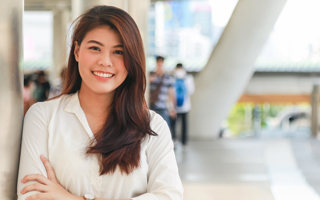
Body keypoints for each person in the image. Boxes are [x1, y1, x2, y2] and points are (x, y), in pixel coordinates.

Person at [17, 5, 183, 200]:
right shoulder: (42, 117)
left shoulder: (153, 126)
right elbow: (31, 195)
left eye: (119, 52)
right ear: (77, 51)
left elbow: (169, 196)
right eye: (95, 48)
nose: (105, 61)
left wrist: (70, 197)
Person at [170, 63, 195, 148]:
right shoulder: (188, 78)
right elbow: (191, 91)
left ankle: (174, 139)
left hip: (174, 105)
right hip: (185, 105)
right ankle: (184, 142)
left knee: (174, 124)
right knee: (184, 125)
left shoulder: (172, 77)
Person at [149, 56, 176, 127]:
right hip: (151, 105)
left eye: (161, 63)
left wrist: (172, 108)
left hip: (163, 107)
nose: (159, 65)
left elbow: (171, 93)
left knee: (165, 127)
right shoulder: (151, 75)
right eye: (158, 63)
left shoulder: (168, 77)